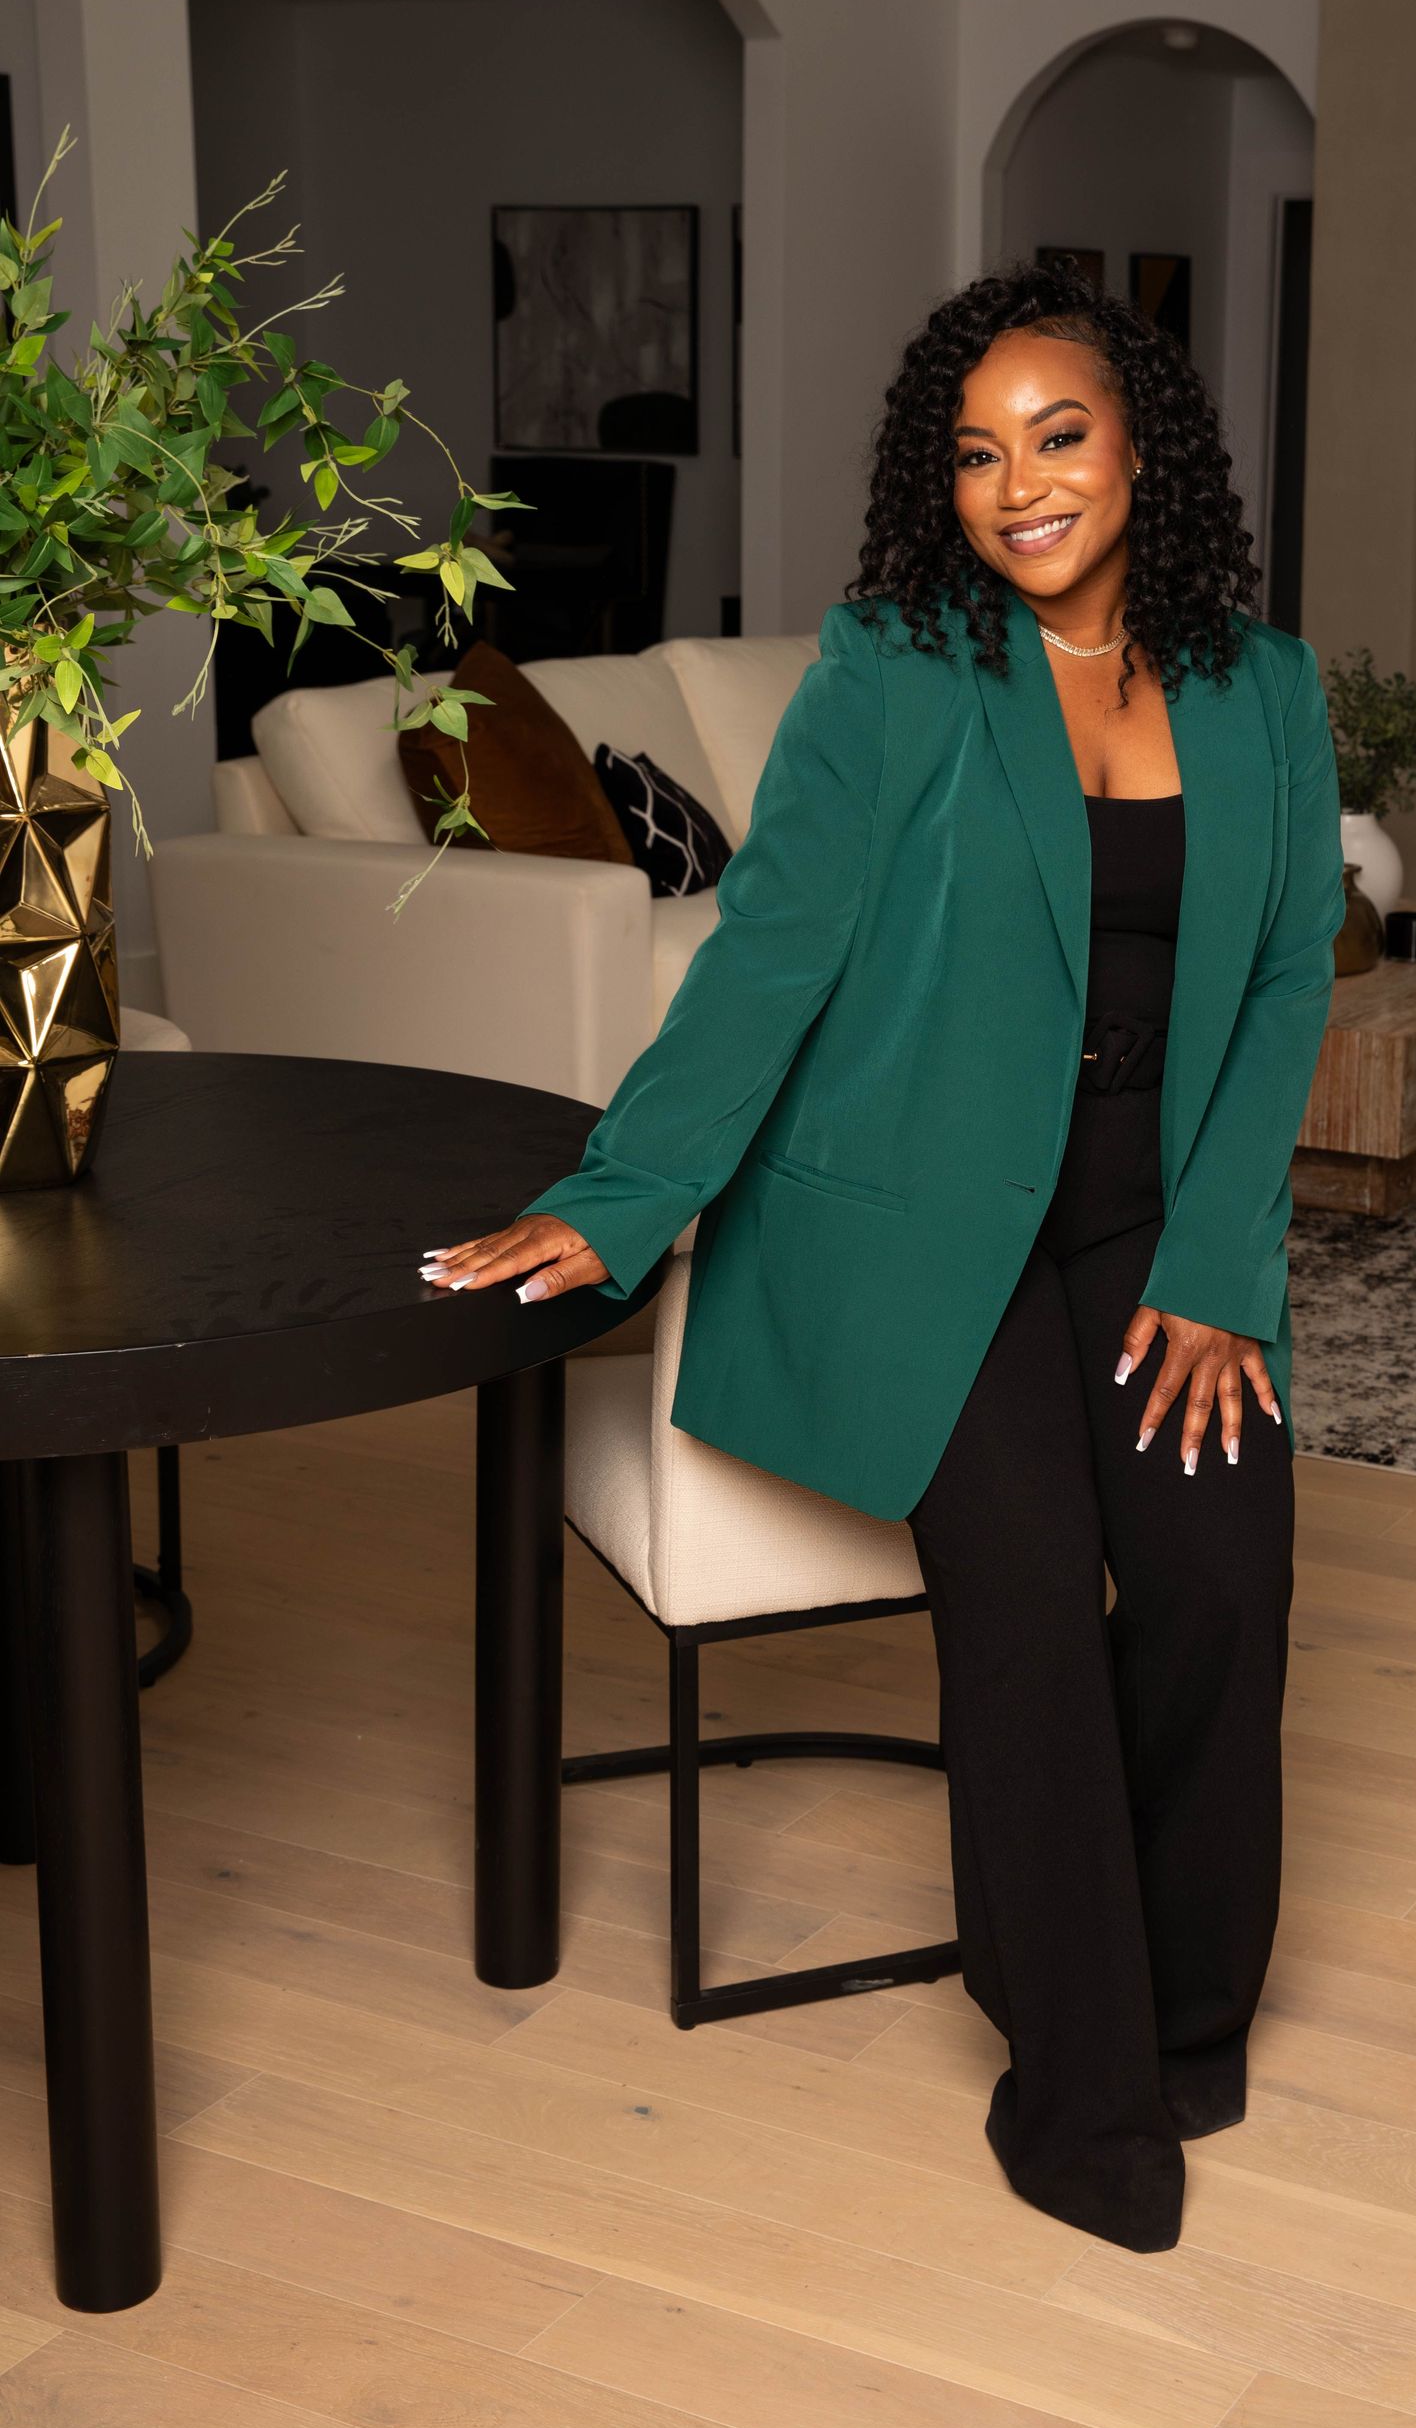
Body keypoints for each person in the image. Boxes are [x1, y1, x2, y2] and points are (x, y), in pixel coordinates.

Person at [425, 261, 1348, 2252]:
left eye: (1060, 433)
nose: (1018, 485)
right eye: (976, 451)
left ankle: (1182, 2014)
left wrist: (1220, 1262)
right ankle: (1084, 2096)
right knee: (1019, 1591)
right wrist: (617, 1203)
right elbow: (773, 959)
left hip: (1147, 1211)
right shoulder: (897, 662)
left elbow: (1282, 980)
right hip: (915, 1218)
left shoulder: (1269, 691)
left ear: (1144, 443)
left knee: (1217, 1566)